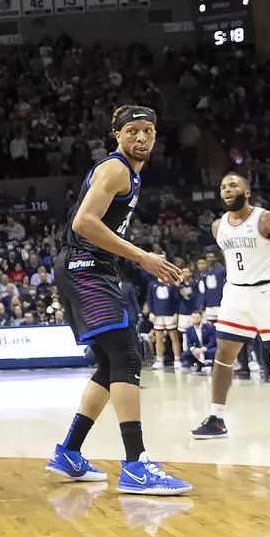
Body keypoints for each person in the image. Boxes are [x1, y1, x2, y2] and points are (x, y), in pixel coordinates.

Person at [44, 105, 192, 495]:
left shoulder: (132, 174)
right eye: (133, 131)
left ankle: (69, 453)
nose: (141, 138)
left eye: (148, 131)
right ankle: (136, 465)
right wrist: (142, 256)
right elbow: (83, 222)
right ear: (117, 135)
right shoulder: (116, 169)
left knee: (112, 361)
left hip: (93, 265)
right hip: (84, 264)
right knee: (128, 355)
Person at [190, 172, 270, 439]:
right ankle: (216, 417)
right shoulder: (218, 226)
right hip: (235, 293)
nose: (227, 190)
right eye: (223, 187)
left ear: (247, 191)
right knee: (223, 354)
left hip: (267, 292)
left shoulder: (268, 220)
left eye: (233, 185)